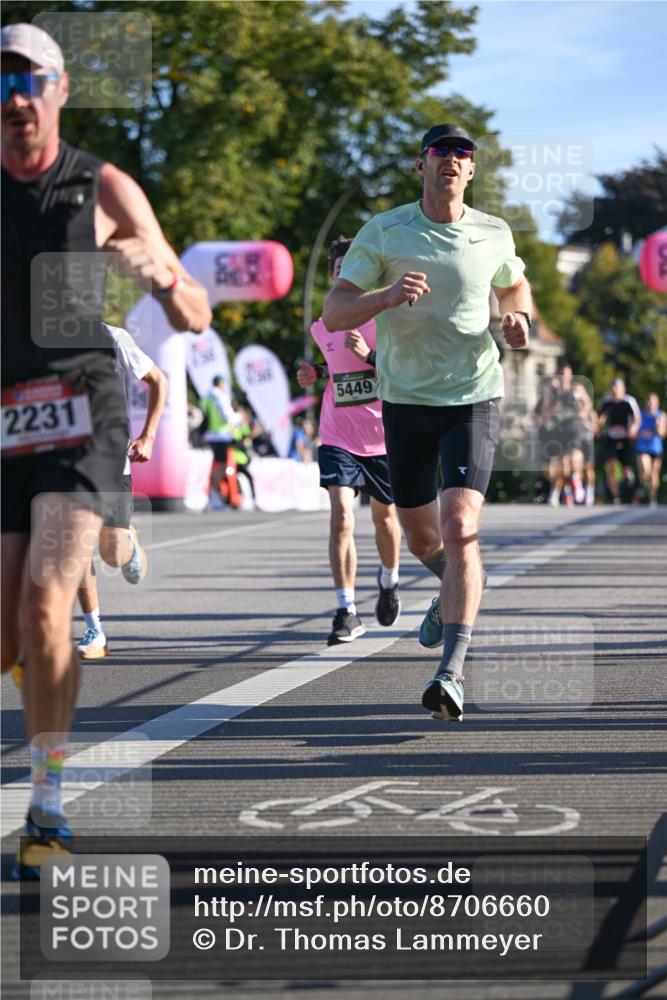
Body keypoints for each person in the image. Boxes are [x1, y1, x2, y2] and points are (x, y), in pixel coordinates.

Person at [1, 23, 211, 879]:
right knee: (10, 630)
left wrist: (158, 271)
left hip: (84, 412)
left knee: (50, 606)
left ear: (59, 89)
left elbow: (195, 311)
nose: (14, 100)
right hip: (5, 413)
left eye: (28, 82)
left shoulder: (101, 183)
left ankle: (47, 803)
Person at [323, 123, 531, 719]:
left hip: (472, 397)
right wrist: (384, 298)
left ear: (471, 170)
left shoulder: (493, 232)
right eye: (440, 151)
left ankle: (452, 672)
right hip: (405, 401)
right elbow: (335, 312)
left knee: (461, 526)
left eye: (462, 153)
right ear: (421, 166)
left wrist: (518, 322)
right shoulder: (384, 231)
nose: (451, 159)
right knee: (421, 539)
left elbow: (515, 287)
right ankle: (452, 587)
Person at [298, 236, 402, 645]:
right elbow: (334, 369)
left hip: (384, 437)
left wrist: (371, 357)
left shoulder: (385, 319)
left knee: (386, 520)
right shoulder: (321, 323)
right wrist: (315, 375)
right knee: (341, 516)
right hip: (337, 434)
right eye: (338, 269)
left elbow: (405, 373)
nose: (345, 274)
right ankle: (346, 610)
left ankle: (390, 580)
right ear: (332, 274)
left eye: (352, 267)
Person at [76, 323, 168, 659]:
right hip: (67, 462)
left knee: (111, 554)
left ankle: (126, 541)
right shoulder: (33, 343)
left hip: (112, 459)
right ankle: (94, 630)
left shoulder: (112, 337)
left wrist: (149, 435)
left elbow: (158, 380)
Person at [597, 378, 641, 504]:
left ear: (623, 389)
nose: (615, 390)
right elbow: (600, 416)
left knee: (624, 469)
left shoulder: (629, 401)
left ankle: (628, 474)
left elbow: (637, 419)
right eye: (613, 388)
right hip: (611, 438)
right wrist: (598, 428)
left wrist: (633, 429)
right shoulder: (606, 401)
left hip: (626, 438)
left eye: (617, 388)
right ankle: (616, 495)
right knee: (611, 466)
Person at [635, 393, 665, 506]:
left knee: (654, 473)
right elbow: (633, 431)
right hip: (642, 448)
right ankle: (642, 486)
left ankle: (652, 497)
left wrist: (658, 427)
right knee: (646, 470)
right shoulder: (640, 415)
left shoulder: (661, 416)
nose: (649, 404)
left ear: (657, 404)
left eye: (652, 402)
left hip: (656, 449)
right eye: (648, 401)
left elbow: (662, 434)